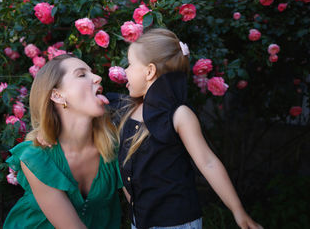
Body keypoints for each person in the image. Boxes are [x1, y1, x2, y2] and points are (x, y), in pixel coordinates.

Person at [111, 28, 263, 229]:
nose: (125, 70)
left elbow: (208, 162)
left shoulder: (179, 115)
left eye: (130, 64)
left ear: (149, 71)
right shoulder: (130, 109)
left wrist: (238, 210)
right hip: (140, 220)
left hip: (176, 222)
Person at [3, 54, 122, 229]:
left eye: (93, 73)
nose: (98, 77)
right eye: (82, 75)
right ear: (58, 96)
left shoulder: (114, 147)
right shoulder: (36, 156)